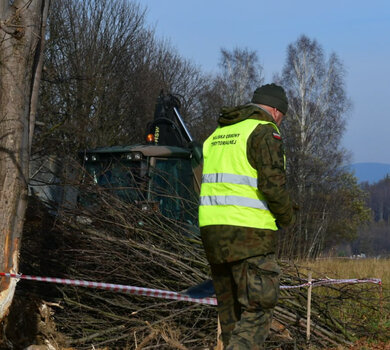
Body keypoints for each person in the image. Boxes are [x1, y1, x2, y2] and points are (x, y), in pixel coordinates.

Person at [199, 83, 296, 349]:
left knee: (231, 317)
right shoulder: (264, 131)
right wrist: (287, 217)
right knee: (257, 311)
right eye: (282, 118)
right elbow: (272, 184)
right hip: (250, 236)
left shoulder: (219, 133)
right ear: (276, 111)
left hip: (213, 234)